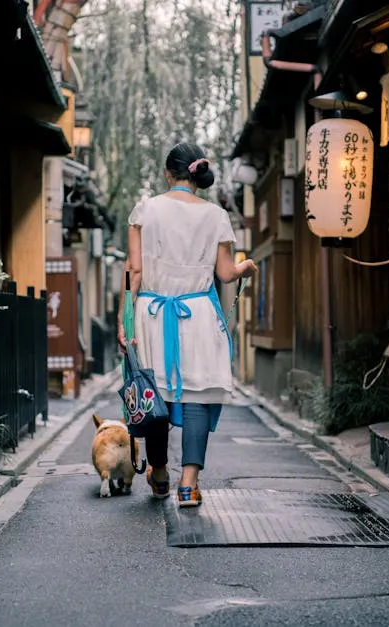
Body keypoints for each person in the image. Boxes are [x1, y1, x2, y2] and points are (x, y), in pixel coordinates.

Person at [117, 142, 257, 507]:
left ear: (168, 173)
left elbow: (133, 271)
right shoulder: (215, 216)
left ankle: (160, 473)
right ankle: (189, 484)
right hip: (195, 315)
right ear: (197, 177)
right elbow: (226, 274)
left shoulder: (145, 210)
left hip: (151, 313)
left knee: (156, 392)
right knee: (197, 395)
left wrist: (124, 320)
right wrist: (247, 267)